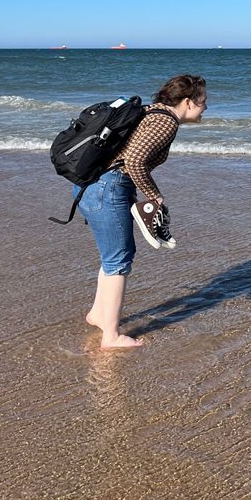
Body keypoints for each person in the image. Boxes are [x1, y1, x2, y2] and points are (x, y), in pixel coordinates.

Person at [78, 74, 208, 349]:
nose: (205, 107)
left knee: (113, 256)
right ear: (187, 102)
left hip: (93, 187)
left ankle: (99, 315)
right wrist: (155, 195)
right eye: (203, 101)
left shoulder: (151, 113)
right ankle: (111, 337)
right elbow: (134, 161)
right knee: (119, 260)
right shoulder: (165, 121)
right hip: (109, 188)